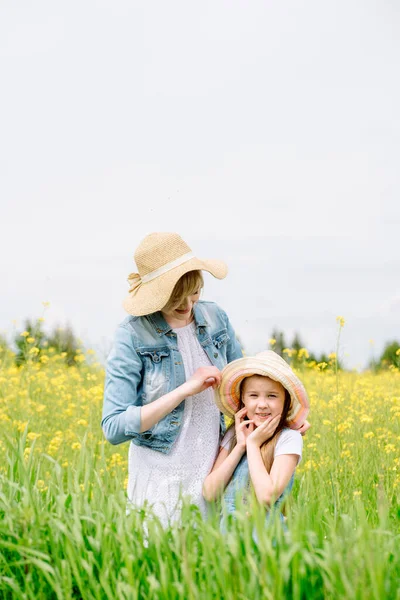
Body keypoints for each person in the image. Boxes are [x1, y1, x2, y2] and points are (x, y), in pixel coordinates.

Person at [101, 232, 244, 526]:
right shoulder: (132, 334)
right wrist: (184, 391)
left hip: (215, 471)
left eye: (195, 292)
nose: (188, 305)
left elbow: (247, 387)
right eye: (175, 298)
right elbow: (113, 427)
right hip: (160, 478)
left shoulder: (216, 318)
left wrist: (286, 420)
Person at [203, 351, 310, 530]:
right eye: (253, 395)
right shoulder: (235, 435)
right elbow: (209, 492)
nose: (262, 404)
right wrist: (240, 446)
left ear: (286, 401)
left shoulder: (289, 438)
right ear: (243, 399)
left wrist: (253, 445)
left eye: (272, 396)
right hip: (228, 536)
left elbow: (267, 497)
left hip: (266, 535)